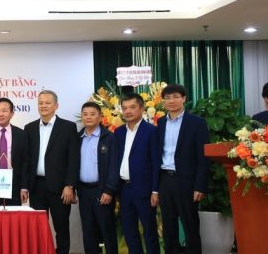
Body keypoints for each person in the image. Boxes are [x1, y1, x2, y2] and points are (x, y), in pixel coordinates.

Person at [25, 90, 79, 254]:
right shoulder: (30, 128)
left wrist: (70, 185)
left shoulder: (68, 127)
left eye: (48, 103)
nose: (44, 106)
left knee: (61, 227)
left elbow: (73, 159)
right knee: (38, 227)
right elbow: (27, 160)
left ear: (56, 105)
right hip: (36, 186)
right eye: (40, 103)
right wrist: (25, 186)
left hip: (60, 187)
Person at [157, 84, 210, 254]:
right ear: (163, 101)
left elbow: (203, 157)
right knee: (168, 225)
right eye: (167, 98)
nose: (171, 101)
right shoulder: (160, 122)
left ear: (184, 98)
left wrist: (200, 186)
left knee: (190, 225)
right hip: (165, 180)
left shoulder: (197, 123)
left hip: (187, 181)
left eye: (175, 97)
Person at [115, 92, 160, 254]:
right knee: (129, 232)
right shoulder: (119, 132)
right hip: (124, 189)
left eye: (132, 107)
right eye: (125, 108)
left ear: (142, 108)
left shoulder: (152, 131)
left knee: (149, 231)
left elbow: (156, 163)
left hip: (145, 190)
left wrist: (155, 190)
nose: (128, 111)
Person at [77, 102, 118, 254]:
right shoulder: (77, 138)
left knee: (107, 230)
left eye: (92, 114)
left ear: (100, 117)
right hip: (84, 191)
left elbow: (114, 166)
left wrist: (109, 190)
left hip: (102, 192)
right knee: (88, 231)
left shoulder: (109, 138)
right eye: (85, 114)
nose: (88, 117)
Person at [0, 97, 29, 205]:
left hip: (14, 186)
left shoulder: (21, 134)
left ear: (12, 113)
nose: (0, 114)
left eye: (4, 111)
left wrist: (24, 186)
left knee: (12, 215)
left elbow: (25, 162)